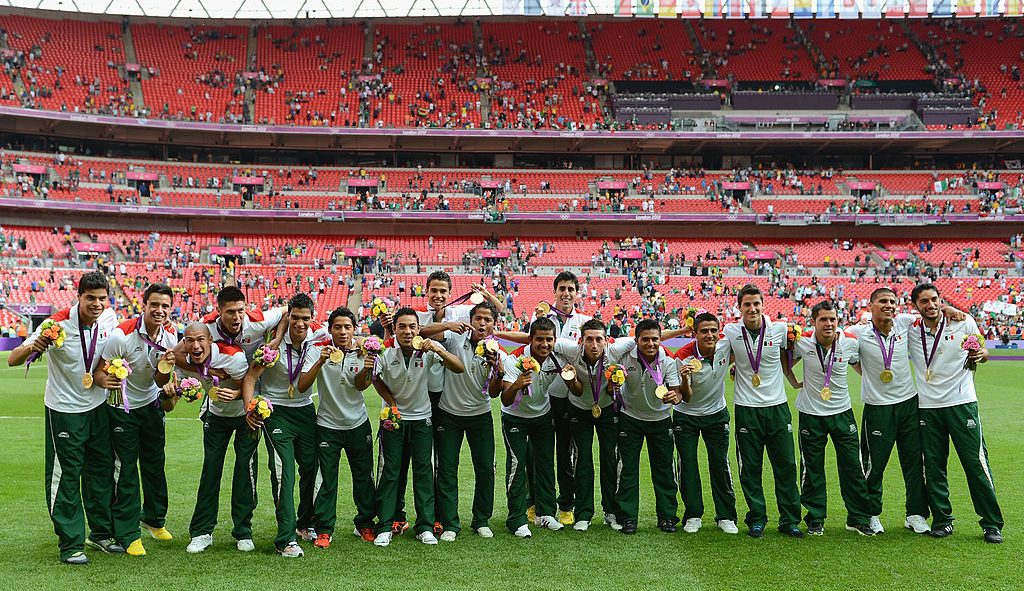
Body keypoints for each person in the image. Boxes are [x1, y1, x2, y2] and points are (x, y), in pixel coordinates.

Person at [8, 271, 120, 564]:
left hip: (97, 406)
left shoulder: (109, 318)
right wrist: (36, 345)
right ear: (78, 297)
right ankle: (70, 543)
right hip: (65, 410)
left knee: (100, 472)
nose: (97, 304)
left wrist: (102, 374)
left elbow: (111, 351)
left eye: (101, 299)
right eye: (90, 298)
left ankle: (100, 533)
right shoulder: (55, 323)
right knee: (67, 476)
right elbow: (13, 358)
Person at [907, 283, 1003, 543]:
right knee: (934, 467)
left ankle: (991, 523)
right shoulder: (910, 330)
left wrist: (982, 353)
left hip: (962, 403)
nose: (931, 305)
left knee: (975, 463)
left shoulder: (964, 321)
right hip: (928, 407)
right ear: (915, 306)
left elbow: (983, 350)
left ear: (941, 299)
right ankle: (943, 520)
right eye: (924, 301)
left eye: (934, 299)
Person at [372, 308, 465, 547]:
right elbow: (374, 378)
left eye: (412, 326)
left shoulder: (427, 349)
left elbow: (458, 367)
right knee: (390, 472)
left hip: (422, 419)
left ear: (418, 329)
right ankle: (384, 525)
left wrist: (437, 349)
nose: (407, 331)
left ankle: (424, 526)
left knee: (424, 473)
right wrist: (391, 402)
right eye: (402, 326)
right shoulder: (385, 351)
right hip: (394, 420)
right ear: (394, 329)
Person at [97, 282, 178, 556]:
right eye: (154, 304)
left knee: (156, 465)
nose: (159, 310)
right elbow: (101, 370)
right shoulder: (122, 335)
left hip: (151, 406)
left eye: (165, 306)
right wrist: (108, 380)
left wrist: (167, 375)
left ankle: (154, 519)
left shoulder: (170, 336)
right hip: (122, 409)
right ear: (144, 305)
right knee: (126, 470)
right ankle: (128, 532)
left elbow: (159, 377)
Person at [784, 301, 875, 537]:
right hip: (811, 413)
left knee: (853, 466)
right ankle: (815, 518)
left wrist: (870, 381)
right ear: (813, 322)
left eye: (832, 319)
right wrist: (793, 381)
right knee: (811, 468)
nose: (829, 323)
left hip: (842, 412)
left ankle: (857, 518)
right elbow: (786, 360)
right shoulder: (802, 341)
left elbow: (857, 363)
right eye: (823, 319)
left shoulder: (850, 342)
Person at [240, 293, 321, 557]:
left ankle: (305, 523)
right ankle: (284, 538)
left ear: (312, 318)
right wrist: (250, 408)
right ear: (288, 317)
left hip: (305, 410)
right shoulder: (272, 344)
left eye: (305, 319)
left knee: (310, 466)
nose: (300, 323)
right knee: (283, 470)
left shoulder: (316, 340)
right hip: (276, 412)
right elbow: (251, 377)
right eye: (295, 318)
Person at [847, 288, 931, 535]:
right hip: (877, 407)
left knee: (915, 462)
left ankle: (915, 514)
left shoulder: (904, 323)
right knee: (874, 464)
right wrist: (868, 375)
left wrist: (952, 310)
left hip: (908, 404)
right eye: (883, 301)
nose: (889, 305)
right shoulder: (857, 332)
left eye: (892, 302)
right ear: (870, 305)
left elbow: (931, 313)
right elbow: (843, 347)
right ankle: (870, 513)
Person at [724, 284, 802, 538]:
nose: (752, 308)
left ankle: (789, 520)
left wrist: (792, 380)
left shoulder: (780, 329)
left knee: (787, 465)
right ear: (740, 307)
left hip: (777, 407)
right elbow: (720, 356)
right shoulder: (731, 331)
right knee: (750, 468)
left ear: (762, 305)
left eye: (756, 303)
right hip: (747, 409)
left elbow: (789, 357)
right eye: (747, 304)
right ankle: (756, 518)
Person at [172, 323, 254, 554]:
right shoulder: (186, 360)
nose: (196, 346)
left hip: (244, 415)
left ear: (210, 340)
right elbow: (175, 373)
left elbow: (250, 380)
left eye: (201, 340)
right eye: (189, 340)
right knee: (210, 471)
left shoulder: (234, 357)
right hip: (216, 416)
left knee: (244, 471)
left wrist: (237, 392)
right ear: (184, 343)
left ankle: (243, 531)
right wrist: (179, 389)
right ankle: (201, 532)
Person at [299, 306, 377, 548]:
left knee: (363, 478)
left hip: (357, 423)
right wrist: (320, 362)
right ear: (330, 329)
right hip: (327, 425)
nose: (342, 332)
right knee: (326, 480)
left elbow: (361, 386)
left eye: (347, 327)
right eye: (337, 327)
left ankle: (364, 523)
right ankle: (324, 529)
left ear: (354, 329)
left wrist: (366, 367)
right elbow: (303, 386)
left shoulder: (363, 350)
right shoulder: (317, 350)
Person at [432, 301, 507, 540]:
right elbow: (422, 333)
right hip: (449, 413)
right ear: (471, 320)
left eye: (487, 320)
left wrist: (499, 373)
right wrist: (447, 325)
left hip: (480, 415)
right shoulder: (454, 339)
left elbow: (495, 393)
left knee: (486, 468)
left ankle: (481, 520)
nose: (482, 324)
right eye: (478, 319)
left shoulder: (498, 351)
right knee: (447, 470)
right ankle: (450, 523)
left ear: (494, 325)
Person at [528, 271, 591, 525]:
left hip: (571, 397)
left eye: (570, 289)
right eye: (562, 288)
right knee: (537, 453)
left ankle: (566, 504)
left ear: (577, 293)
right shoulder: (540, 317)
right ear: (554, 292)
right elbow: (531, 345)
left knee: (567, 454)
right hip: (544, 394)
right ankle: (533, 503)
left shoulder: (584, 321)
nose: (566, 293)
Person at [610, 318, 681, 534]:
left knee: (665, 471)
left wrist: (673, 397)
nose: (651, 344)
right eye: (645, 339)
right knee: (627, 470)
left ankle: (667, 517)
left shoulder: (667, 360)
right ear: (636, 340)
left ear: (660, 340)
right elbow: (609, 351)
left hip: (660, 420)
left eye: (655, 339)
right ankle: (628, 517)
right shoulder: (624, 356)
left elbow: (677, 393)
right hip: (629, 418)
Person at [672, 312, 739, 535]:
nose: (709, 335)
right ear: (695, 333)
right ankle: (692, 515)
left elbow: (741, 354)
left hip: (716, 414)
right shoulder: (683, 356)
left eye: (713, 330)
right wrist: (684, 378)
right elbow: (686, 396)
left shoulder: (725, 346)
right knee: (688, 465)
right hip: (687, 415)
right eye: (704, 331)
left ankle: (726, 516)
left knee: (720, 463)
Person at [500, 317, 563, 537]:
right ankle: (516, 519)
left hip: (542, 416)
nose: (544, 345)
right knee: (517, 466)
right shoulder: (513, 360)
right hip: (515, 417)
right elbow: (505, 400)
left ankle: (546, 514)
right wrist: (517, 384)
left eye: (549, 340)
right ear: (530, 339)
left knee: (545, 464)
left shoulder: (557, 359)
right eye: (539, 340)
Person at [416, 270, 505, 413]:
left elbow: (498, 309)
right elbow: (418, 332)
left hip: (442, 385)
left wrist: (485, 294)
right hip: (419, 380)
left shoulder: (458, 312)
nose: (438, 296)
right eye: (434, 290)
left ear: (450, 293)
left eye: (443, 291)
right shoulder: (418, 314)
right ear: (426, 291)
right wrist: (447, 325)